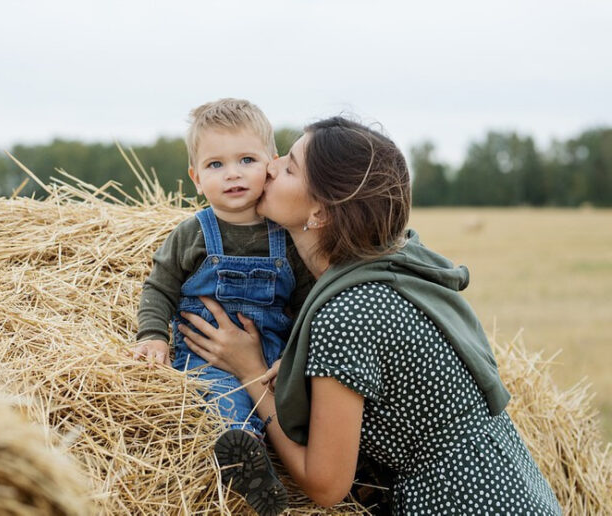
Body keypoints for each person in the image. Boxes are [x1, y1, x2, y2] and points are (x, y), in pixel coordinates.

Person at [177, 116, 561, 514]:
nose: (270, 165)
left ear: (321, 212)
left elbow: (325, 485)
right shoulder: (392, 268)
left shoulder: (347, 312)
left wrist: (250, 371)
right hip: (517, 491)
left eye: (289, 167)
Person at [133, 98, 314, 515]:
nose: (232, 173)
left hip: (273, 357)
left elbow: (306, 305)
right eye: (216, 165)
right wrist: (153, 336)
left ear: (270, 165)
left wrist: (291, 356)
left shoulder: (286, 235)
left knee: (300, 408)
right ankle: (246, 457)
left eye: (246, 159)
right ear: (196, 178)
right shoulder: (191, 233)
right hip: (208, 356)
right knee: (223, 400)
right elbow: (159, 287)